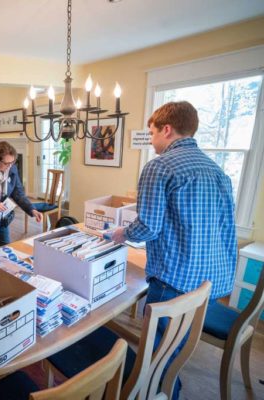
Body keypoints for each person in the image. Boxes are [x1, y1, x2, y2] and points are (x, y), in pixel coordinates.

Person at [108, 101, 237, 400]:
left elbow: (148, 227)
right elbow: (227, 230)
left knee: (156, 355)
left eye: (152, 132)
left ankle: (159, 393)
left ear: (167, 130)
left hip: (173, 282)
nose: (151, 140)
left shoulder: (160, 166)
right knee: (175, 349)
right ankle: (168, 387)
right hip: (209, 284)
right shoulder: (219, 172)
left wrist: (120, 233)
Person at [0, 141, 42, 246]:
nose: (9, 166)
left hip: (1, 216)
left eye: (12, 162)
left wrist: (32, 209)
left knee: (6, 247)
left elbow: (18, 193)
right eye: (6, 163)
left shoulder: (12, 169)